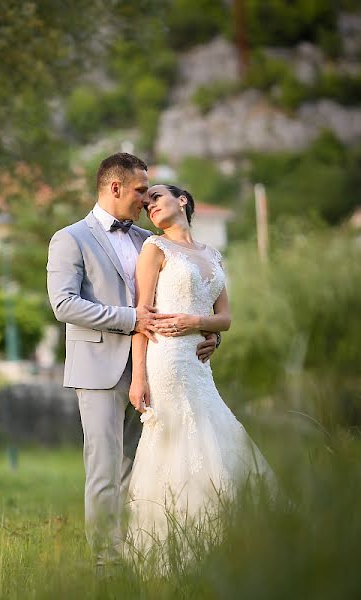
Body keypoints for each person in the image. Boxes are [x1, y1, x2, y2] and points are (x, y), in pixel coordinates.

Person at [46, 153, 219, 560]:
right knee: (105, 472)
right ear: (115, 187)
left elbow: (181, 296)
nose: (146, 199)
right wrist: (129, 318)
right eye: (141, 190)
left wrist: (211, 335)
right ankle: (107, 565)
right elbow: (64, 304)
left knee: (142, 473)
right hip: (99, 372)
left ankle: (143, 555)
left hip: (156, 371)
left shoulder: (149, 241)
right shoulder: (70, 238)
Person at [125, 184, 274, 565]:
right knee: (178, 441)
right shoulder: (153, 249)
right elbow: (143, 316)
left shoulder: (212, 254)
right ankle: (173, 546)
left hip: (198, 363)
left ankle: (226, 539)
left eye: (156, 197)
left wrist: (198, 322)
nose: (150, 205)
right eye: (146, 204)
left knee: (215, 432)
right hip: (166, 360)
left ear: (183, 201)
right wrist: (138, 378)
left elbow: (225, 318)